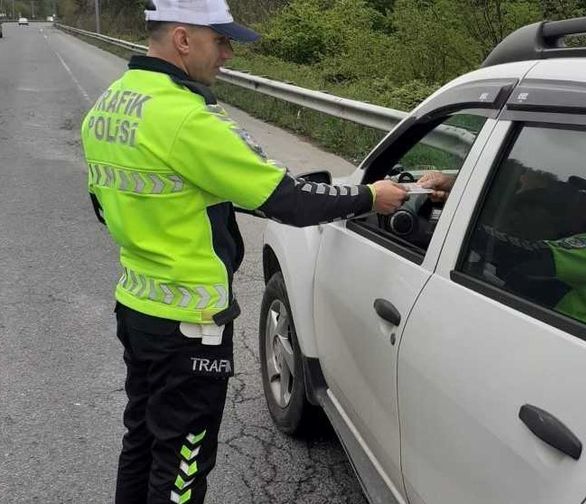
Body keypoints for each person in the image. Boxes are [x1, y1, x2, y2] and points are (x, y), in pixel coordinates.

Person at [81, 1, 407, 503]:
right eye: (222, 41)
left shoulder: (110, 105)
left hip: (138, 307)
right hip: (190, 322)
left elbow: (109, 204)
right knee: (182, 464)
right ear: (184, 39)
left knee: (142, 440)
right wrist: (370, 197)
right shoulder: (188, 118)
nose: (229, 54)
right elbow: (287, 198)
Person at [420, 171, 586, 327]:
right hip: (537, 321)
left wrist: (462, 224)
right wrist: (445, 204)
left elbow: (524, 256)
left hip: (561, 333)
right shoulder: (579, 233)